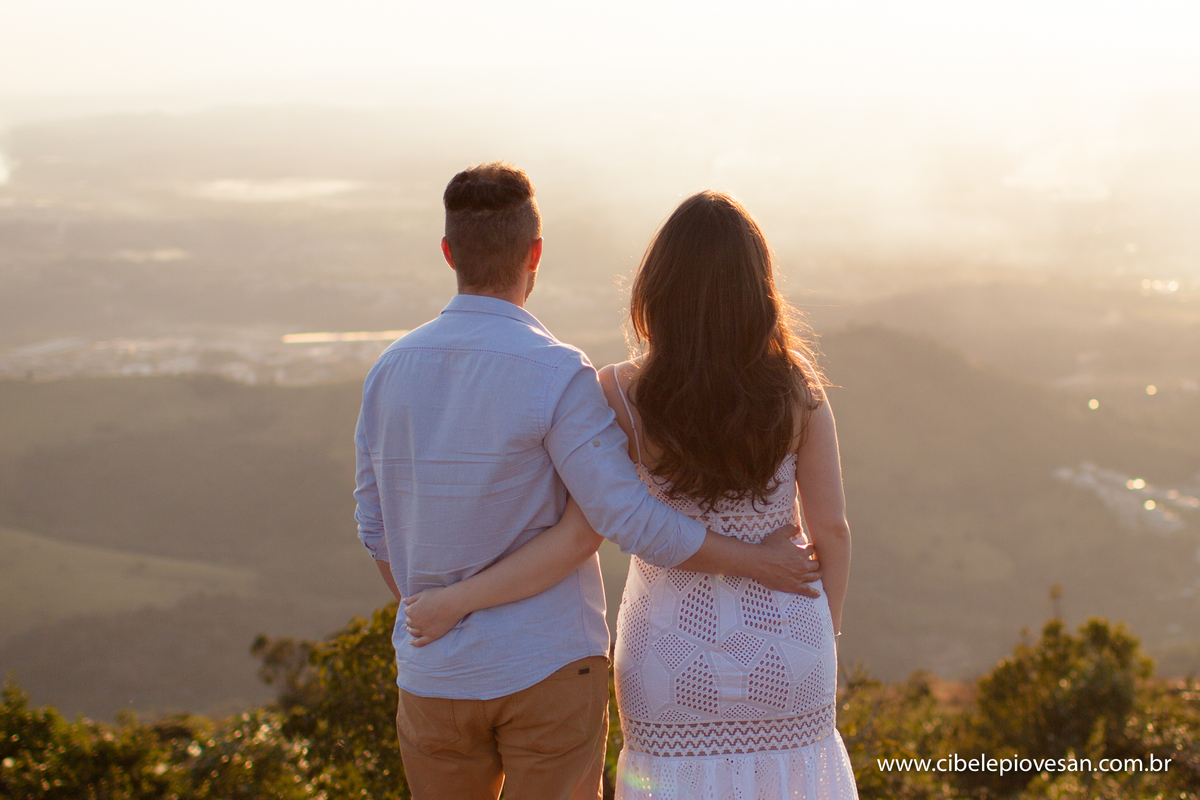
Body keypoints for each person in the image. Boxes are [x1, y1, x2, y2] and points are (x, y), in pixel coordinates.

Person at [354, 164, 822, 800]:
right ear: (534, 254)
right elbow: (619, 519)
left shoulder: (389, 371)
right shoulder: (557, 374)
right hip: (547, 667)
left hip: (434, 672)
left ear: (448, 254)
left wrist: (435, 609)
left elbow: (374, 527)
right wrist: (757, 562)